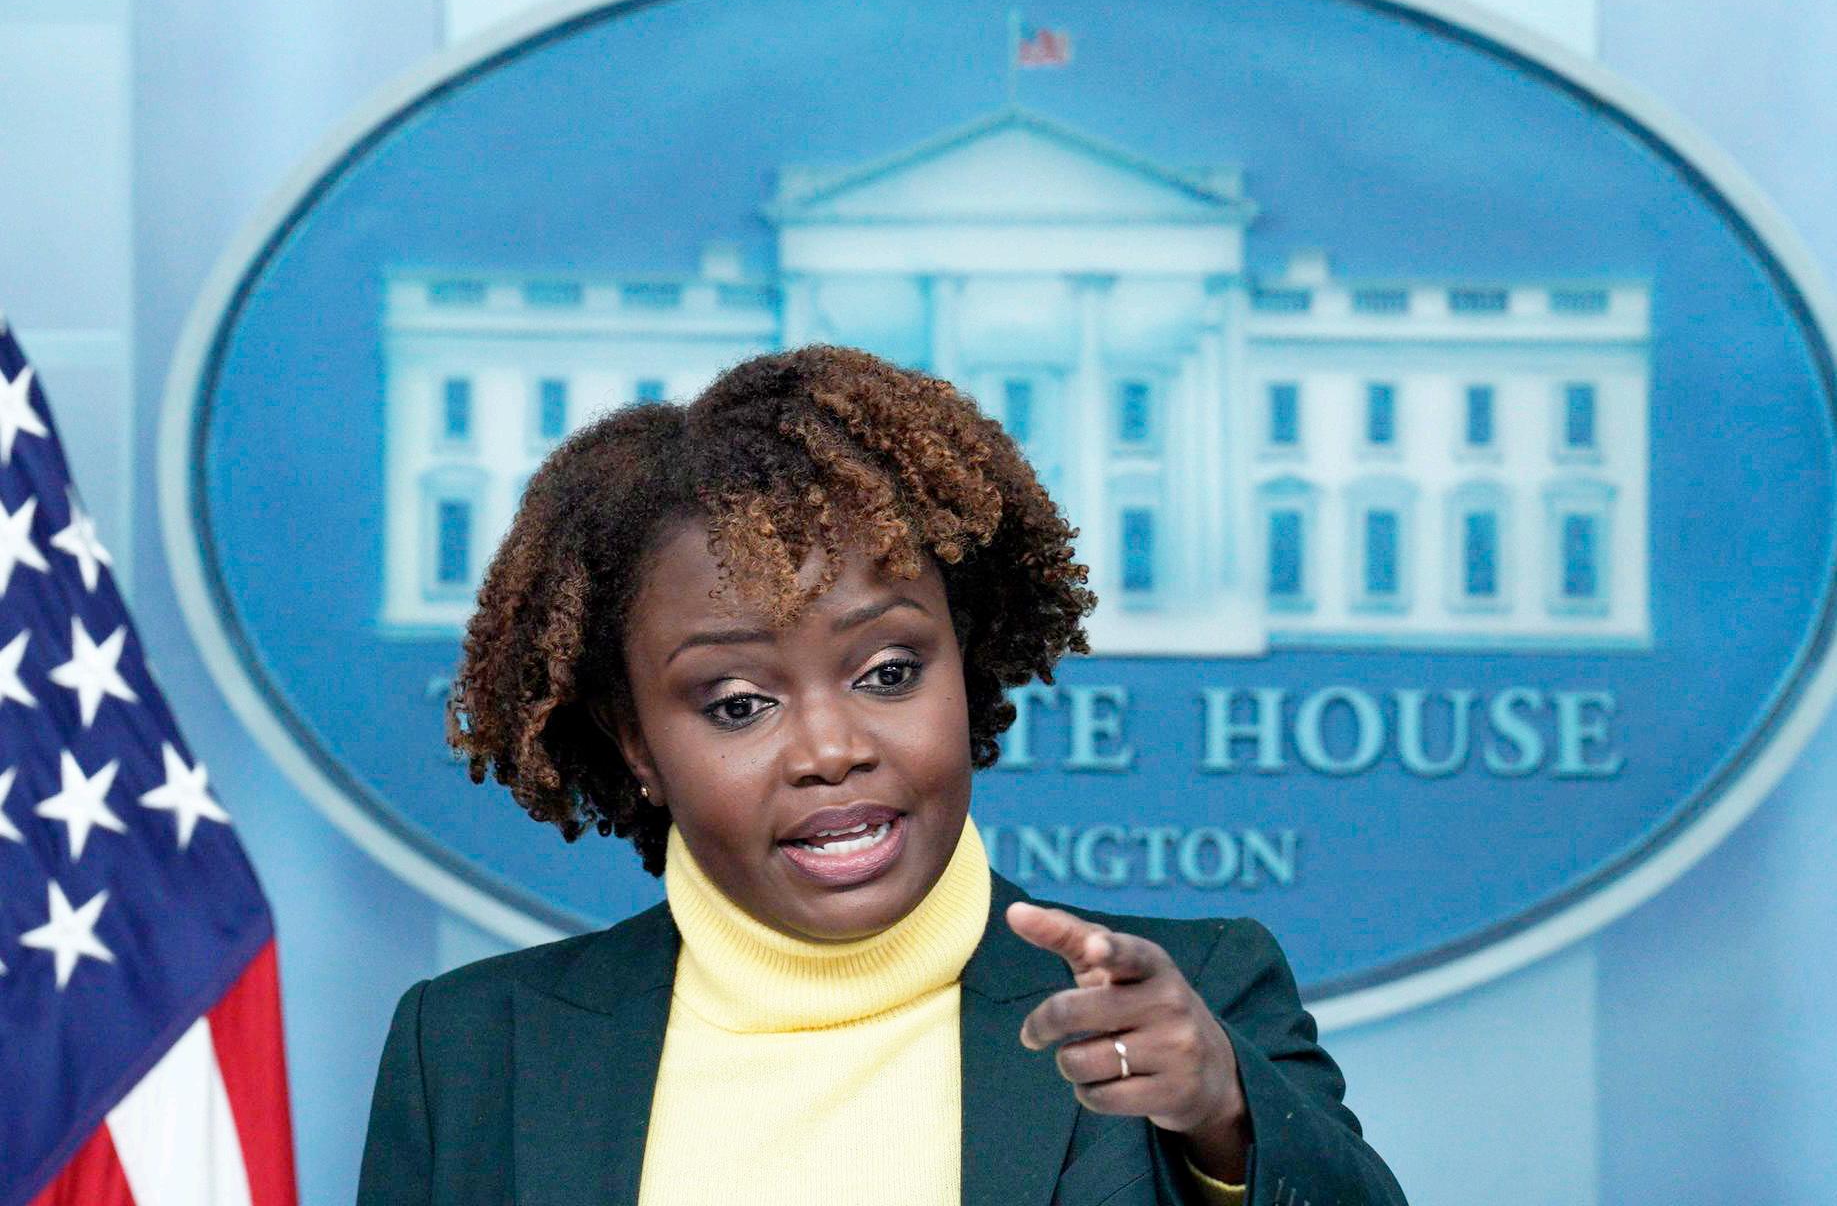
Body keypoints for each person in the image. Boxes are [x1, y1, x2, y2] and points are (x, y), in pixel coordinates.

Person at [357, 344, 1409, 1205]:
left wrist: (1223, 1113)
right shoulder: (472, 1050)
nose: (831, 748)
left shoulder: (1185, 998)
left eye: (889, 671)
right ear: (636, 745)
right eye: (738, 702)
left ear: (967, 665)